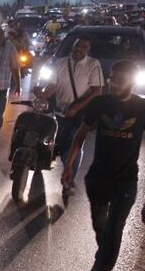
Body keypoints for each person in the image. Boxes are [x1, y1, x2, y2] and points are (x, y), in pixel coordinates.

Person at [62, 60, 145, 271]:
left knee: (114, 230)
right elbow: (81, 134)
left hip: (126, 181)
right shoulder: (100, 103)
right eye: (112, 78)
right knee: (101, 227)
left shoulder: (142, 108)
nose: (114, 83)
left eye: (120, 79)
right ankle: (104, 254)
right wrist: (69, 166)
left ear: (131, 80)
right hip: (97, 179)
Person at [38, 36, 102, 194]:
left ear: (88, 49)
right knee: (60, 142)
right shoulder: (60, 63)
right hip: (61, 111)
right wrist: (41, 96)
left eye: (84, 46)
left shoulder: (93, 65)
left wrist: (76, 108)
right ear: (73, 46)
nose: (80, 49)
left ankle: (68, 181)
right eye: (78, 45)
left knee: (75, 145)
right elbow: (52, 86)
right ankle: (64, 169)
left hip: (82, 112)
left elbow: (96, 91)